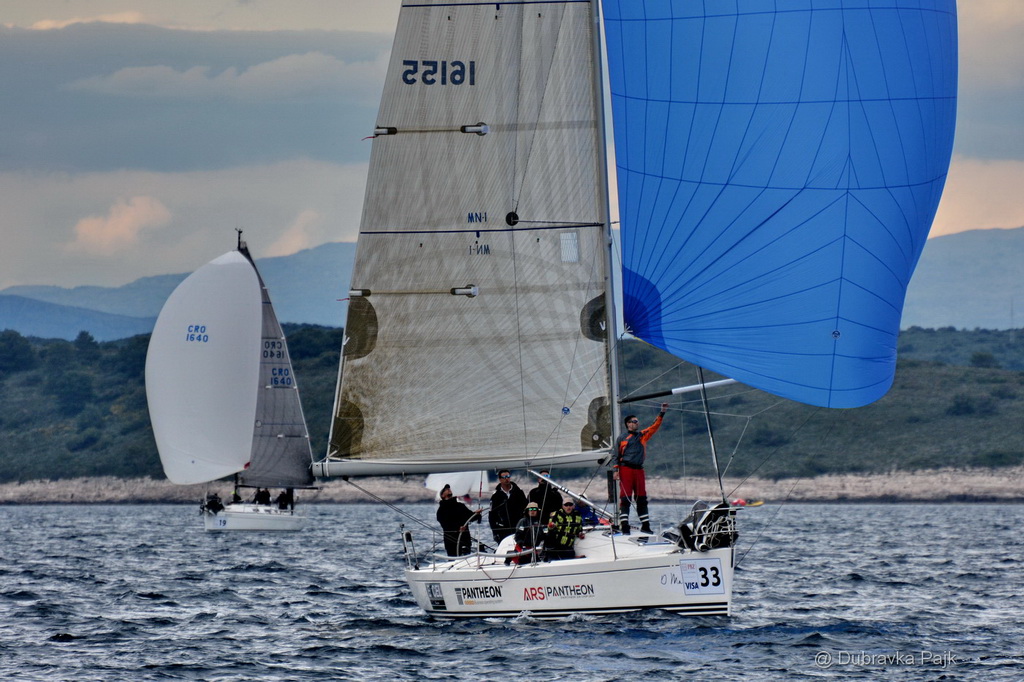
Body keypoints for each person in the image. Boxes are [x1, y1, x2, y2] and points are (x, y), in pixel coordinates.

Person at [614, 403, 668, 534]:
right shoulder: (621, 438)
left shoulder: (642, 435)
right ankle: (625, 525)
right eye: (634, 421)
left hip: (639, 470)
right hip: (625, 468)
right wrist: (616, 470)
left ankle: (645, 525)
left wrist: (662, 412)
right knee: (625, 498)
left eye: (637, 421)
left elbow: (654, 426)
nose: (637, 423)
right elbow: (616, 454)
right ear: (628, 424)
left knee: (641, 498)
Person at [436, 484, 481, 557]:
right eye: (445, 489)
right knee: (453, 560)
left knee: (466, 559)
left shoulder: (460, 506)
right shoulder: (441, 510)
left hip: (464, 538)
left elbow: (470, 516)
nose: (448, 489)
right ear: (442, 495)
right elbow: (444, 524)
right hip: (451, 540)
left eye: (449, 488)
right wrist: (457, 528)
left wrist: (476, 514)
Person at [489, 469, 527, 543]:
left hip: (518, 525)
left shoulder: (519, 492)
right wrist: (495, 532)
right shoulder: (495, 496)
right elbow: (492, 516)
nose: (506, 479)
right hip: (503, 528)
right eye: (504, 477)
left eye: (508, 476)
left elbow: (526, 508)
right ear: (500, 479)